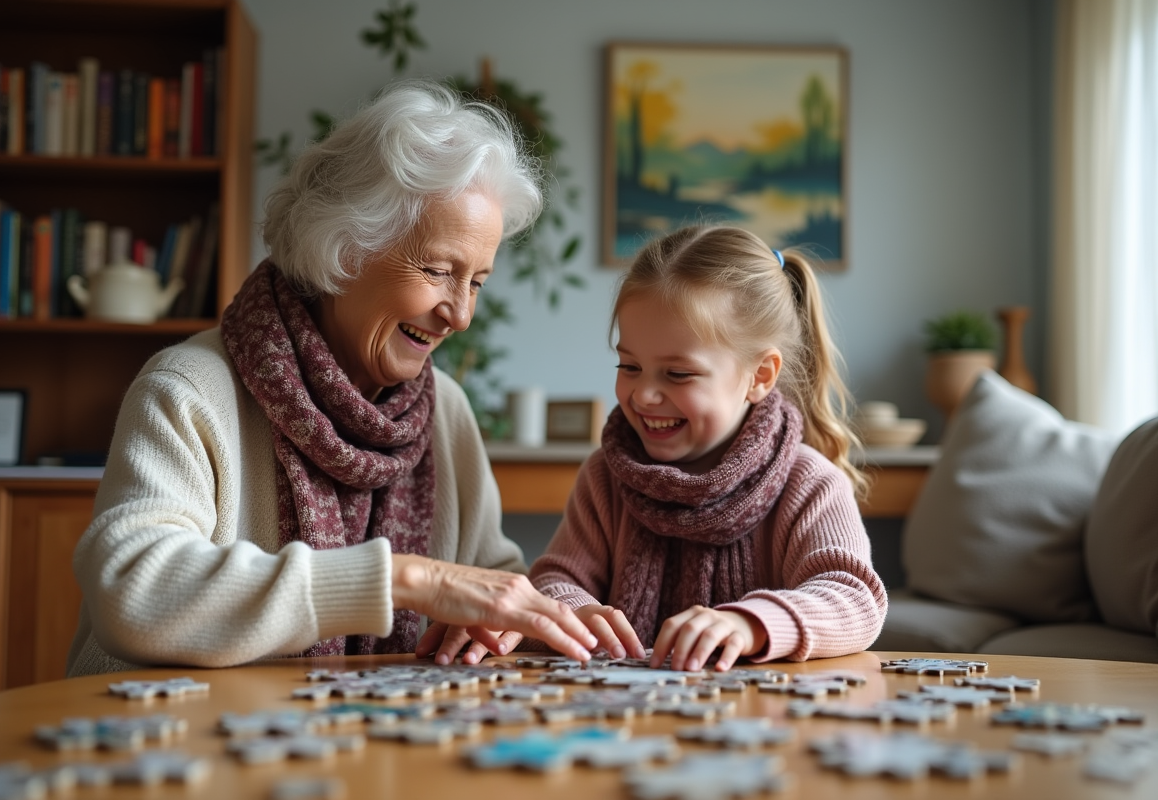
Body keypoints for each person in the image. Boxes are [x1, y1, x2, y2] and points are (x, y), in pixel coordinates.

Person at [66, 80, 597, 677]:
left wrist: (534, 614)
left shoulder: (443, 410)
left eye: (475, 281)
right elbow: (131, 590)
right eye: (437, 270)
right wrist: (406, 579)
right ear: (344, 248)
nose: (461, 314)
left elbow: (491, 582)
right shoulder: (188, 388)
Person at [527, 226, 887, 671]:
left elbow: (854, 598)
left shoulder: (810, 483)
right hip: (628, 727)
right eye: (630, 366)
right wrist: (576, 611)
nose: (643, 395)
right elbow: (553, 579)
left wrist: (751, 624)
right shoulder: (605, 476)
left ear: (760, 376)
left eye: (677, 374)